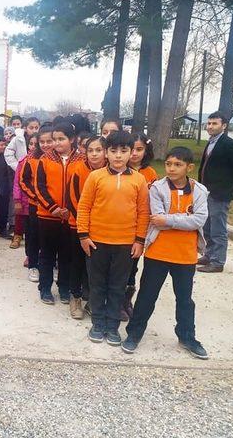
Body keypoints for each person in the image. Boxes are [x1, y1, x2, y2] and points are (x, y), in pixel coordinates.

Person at [123, 146, 209, 359]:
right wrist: (180, 221)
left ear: (189, 167)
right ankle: (134, 333)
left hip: (185, 255)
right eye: (169, 164)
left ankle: (187, 337)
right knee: (146, 296)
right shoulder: (157, 188)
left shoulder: (199, 191)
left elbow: (198, 220)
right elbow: (156, 218)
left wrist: (169, 220)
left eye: (178, 165)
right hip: (158, 253)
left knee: (185, 299)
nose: (171, 168)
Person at [77, 130, 149, 346]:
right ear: (106, 153)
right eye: (113, 151)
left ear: (131, 154)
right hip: (97, 242)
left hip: (125, 245)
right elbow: (84, 206)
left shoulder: (139, 179)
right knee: (97, 285)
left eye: (124, 151)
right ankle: (98, 323)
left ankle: (112, 326)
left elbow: (143, 212)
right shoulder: (95, 176)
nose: (118, 156)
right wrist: (83, 235)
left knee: (117, 287)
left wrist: (139, 240)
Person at [35, 121, 83, 304]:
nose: (56, 143)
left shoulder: (81, 160)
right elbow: (39, 187)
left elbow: (82, 189)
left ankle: (64, 287)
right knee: (47, 253)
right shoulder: (45, 159)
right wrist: (53, 208)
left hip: (70, 217)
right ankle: (45, 288)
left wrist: (70, 210)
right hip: (48, 216)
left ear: (72, 139)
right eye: (54, 139)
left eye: (61, 139)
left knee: (66, 255)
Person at [65, 135, 106, 319]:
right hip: (78, 226)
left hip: (101, 227)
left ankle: (93, 300)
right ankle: (75, 297)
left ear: (106, 152)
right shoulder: (79, 170)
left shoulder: (111, 172)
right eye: (90, 150)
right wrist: (84, 223)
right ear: (85, 152)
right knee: (78, 263)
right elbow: (73, 199)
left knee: (97, 266)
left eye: (98, 150)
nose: (94, 154)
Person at [123, 132, 158, 321]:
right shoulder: (119, 169)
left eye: (139, 149)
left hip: (140, 225)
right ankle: (115, 299)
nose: (135, 154)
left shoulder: (150, 173)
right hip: (121, 223)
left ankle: (127, 299)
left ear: (146, 150)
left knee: (133, 265)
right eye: (132, 149)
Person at [197, 111, 233, 273]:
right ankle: (209, 255)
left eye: (215, 123)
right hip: (206, 191)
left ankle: (218, 262)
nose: (210, 126)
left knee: (218, 229)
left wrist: (231, 189)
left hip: (220, 193)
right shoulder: (211, 142)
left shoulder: (228, 144)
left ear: (224, 126)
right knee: (207, 226)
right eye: (209, 123)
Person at [21, 127, 54, 282]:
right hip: (36, 205)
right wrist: (37, 197)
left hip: (56, 207)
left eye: (49, 141)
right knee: (34, 236)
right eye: (42, 142)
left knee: (50, 238)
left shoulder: (60, 159)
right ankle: (33, 265)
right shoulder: (31, 159)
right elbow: (23, 181)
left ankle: (50, 266)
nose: (46, 145)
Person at [10, 134, 35, 250]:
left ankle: (32, 248)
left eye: (36, 144)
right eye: (31, 144)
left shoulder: (45, 161)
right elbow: (17, 183)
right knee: (20, 218)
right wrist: (17, 199)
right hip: (23, 197)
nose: (33, 147)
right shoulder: (22, 162)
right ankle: (17, 236)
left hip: (37, 199)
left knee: (33, 225)